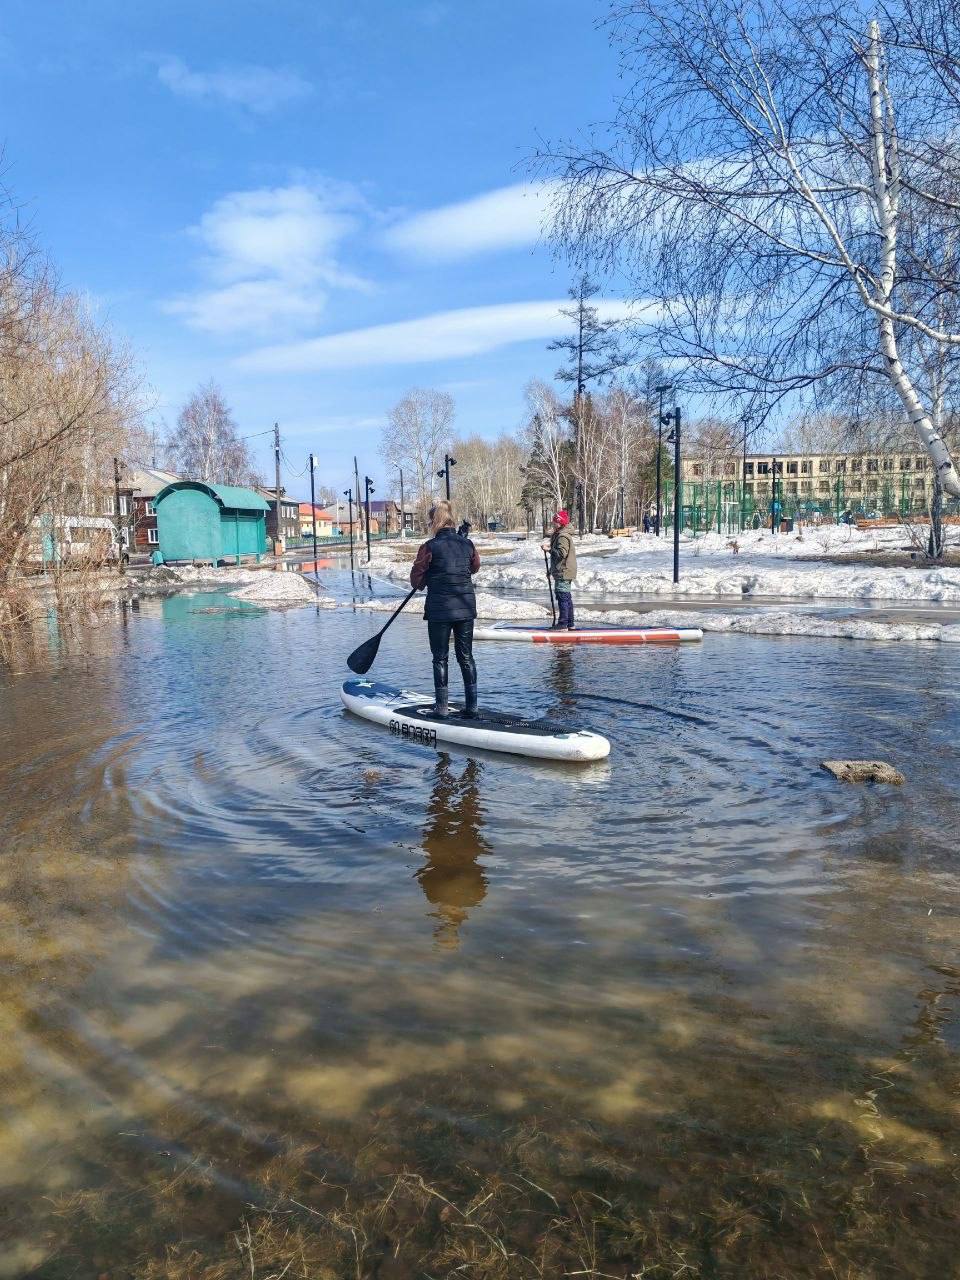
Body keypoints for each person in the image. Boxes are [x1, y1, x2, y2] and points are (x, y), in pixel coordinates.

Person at [410, 500, 481, 718]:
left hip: (440, 610)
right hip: (466, 608)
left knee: (440, 658)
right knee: (466, 656)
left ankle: (441, 709)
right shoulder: (467, 544)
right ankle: (472, 707)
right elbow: (474, 567)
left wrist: (426, 578)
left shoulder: (429, 547)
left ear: (435, 521)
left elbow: (416, 580)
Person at [541, 509, 577, 630]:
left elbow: (561, 554)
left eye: (555, 522)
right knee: (566, 596)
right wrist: (551, 570)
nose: (553, 523)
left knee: (563, 596)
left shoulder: (563, 536)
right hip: (562, 570)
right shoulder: (560, 534)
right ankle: (570, 624)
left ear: (560, 523)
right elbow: (558, 558)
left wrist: (548, 550)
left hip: (564, 571)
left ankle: (563, 624)